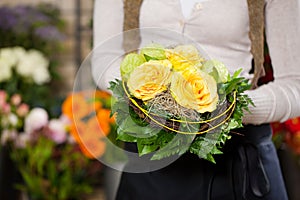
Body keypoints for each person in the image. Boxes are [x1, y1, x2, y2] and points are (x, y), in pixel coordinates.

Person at [92, 0, 300, 199]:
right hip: (152, 161)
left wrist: (229, 109)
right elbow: (104, 58)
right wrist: (150, 94)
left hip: (237, 164)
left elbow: (294, 86)